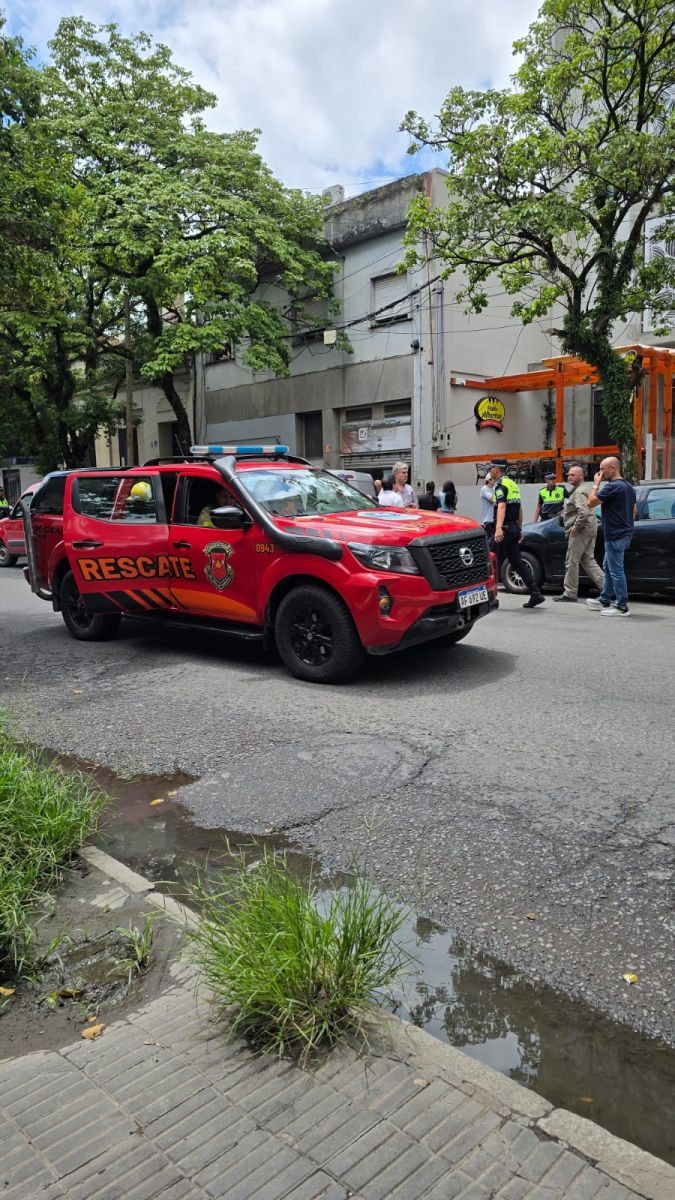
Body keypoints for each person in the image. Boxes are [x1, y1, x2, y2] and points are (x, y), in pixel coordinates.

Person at [491, 458, 545, 609]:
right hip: (513, 529)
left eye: (491, 468)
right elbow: (519, 509)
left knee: (490, 560)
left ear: (497, 469)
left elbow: (501, 507)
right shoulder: (513, 484)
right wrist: (519, 529)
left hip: (504, 530)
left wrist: (498, 528)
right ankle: (536, 593)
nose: (489, 471)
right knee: (517, 562)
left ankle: (490, 597)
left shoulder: (501, 485)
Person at [586, 456, 637, 617]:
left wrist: (596, 484)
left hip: (615, 535)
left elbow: (591, 502)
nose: (600, 473)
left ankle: (622, 607)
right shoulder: (628, 487)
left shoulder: (612, 487)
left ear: (613, 468)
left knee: (616, 570)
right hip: (623, 533)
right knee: (608, 566)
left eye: (602, 469)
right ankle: (604, 599)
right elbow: (634, 511)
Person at [554, 464, 605, 603]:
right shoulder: (583, 489)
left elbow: (583, 511)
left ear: (581, 476)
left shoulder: (579, 491)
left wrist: (575, 528)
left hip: (582, 530)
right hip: (590, 527)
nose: (569, 476)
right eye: (569, 474)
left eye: (573, 475)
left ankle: (570, 593)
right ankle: (607, 588)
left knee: (571, 561)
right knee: (588, 560)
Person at [479, 472, 495, 540]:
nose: (495, 480)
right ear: (489, 480)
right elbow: (491, 499)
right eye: (494, 479)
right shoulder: (484, 489)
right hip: (488, 519)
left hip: (494, 518)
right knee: (489, 539)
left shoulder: (494, 489)